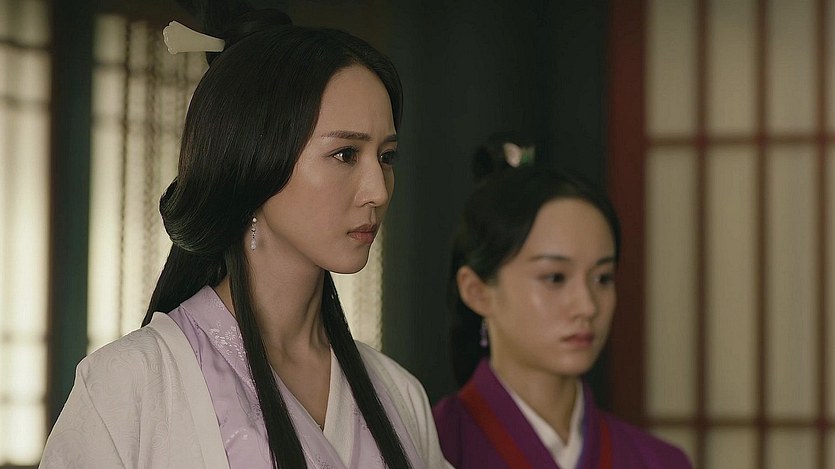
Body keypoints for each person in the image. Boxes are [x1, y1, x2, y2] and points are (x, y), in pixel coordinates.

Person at [40, 3, 449, 468]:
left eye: (387, 157)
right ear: (256, 160)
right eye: (345, 154)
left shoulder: (397, 393)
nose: (377, 190)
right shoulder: (132, 383)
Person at [432, 139, 692, 468]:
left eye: (602, 278)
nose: (587, 307)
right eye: (555, 278)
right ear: (477, 292)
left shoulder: (660, 462)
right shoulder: (428, 447)